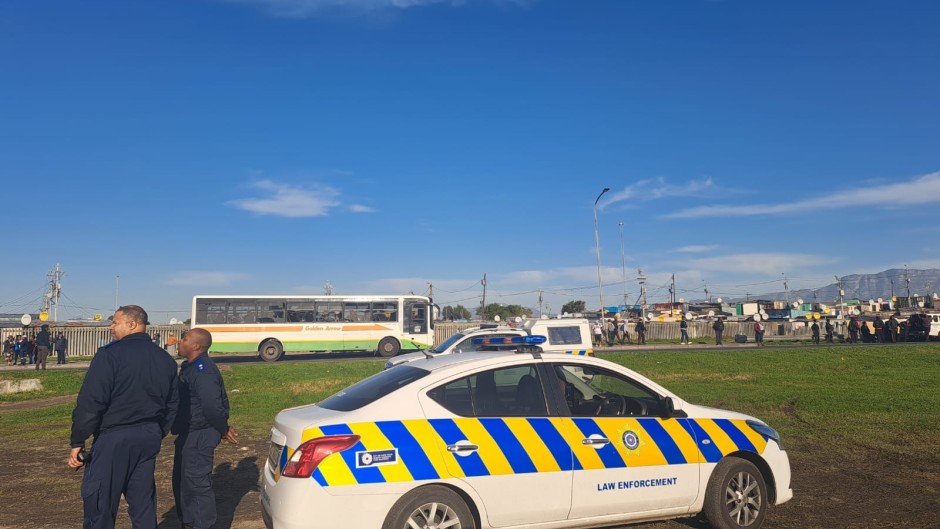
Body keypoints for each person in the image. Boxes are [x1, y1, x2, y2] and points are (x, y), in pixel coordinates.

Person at [68, 305, 179, 529]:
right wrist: (158, 431)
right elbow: (173, 404)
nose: (111, 326)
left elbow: (91, 403)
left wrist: (78, 441)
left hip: (114, 437)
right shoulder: (164, 359)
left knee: (100, 502)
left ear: (132, 324)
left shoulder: (110, 355)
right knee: (143, 503)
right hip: (148, 436)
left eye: (115, 322)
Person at [172, 328, 238, 529]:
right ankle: (189, 521)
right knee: (182, 482)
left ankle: (202, 524)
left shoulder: (203, 370)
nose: (179, 342)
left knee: (197, 484)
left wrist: (223, 429)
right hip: (188, 432)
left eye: (184, 339)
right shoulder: (190, 367)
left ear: (196, 346)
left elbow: (212, 406)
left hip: (200, 432)